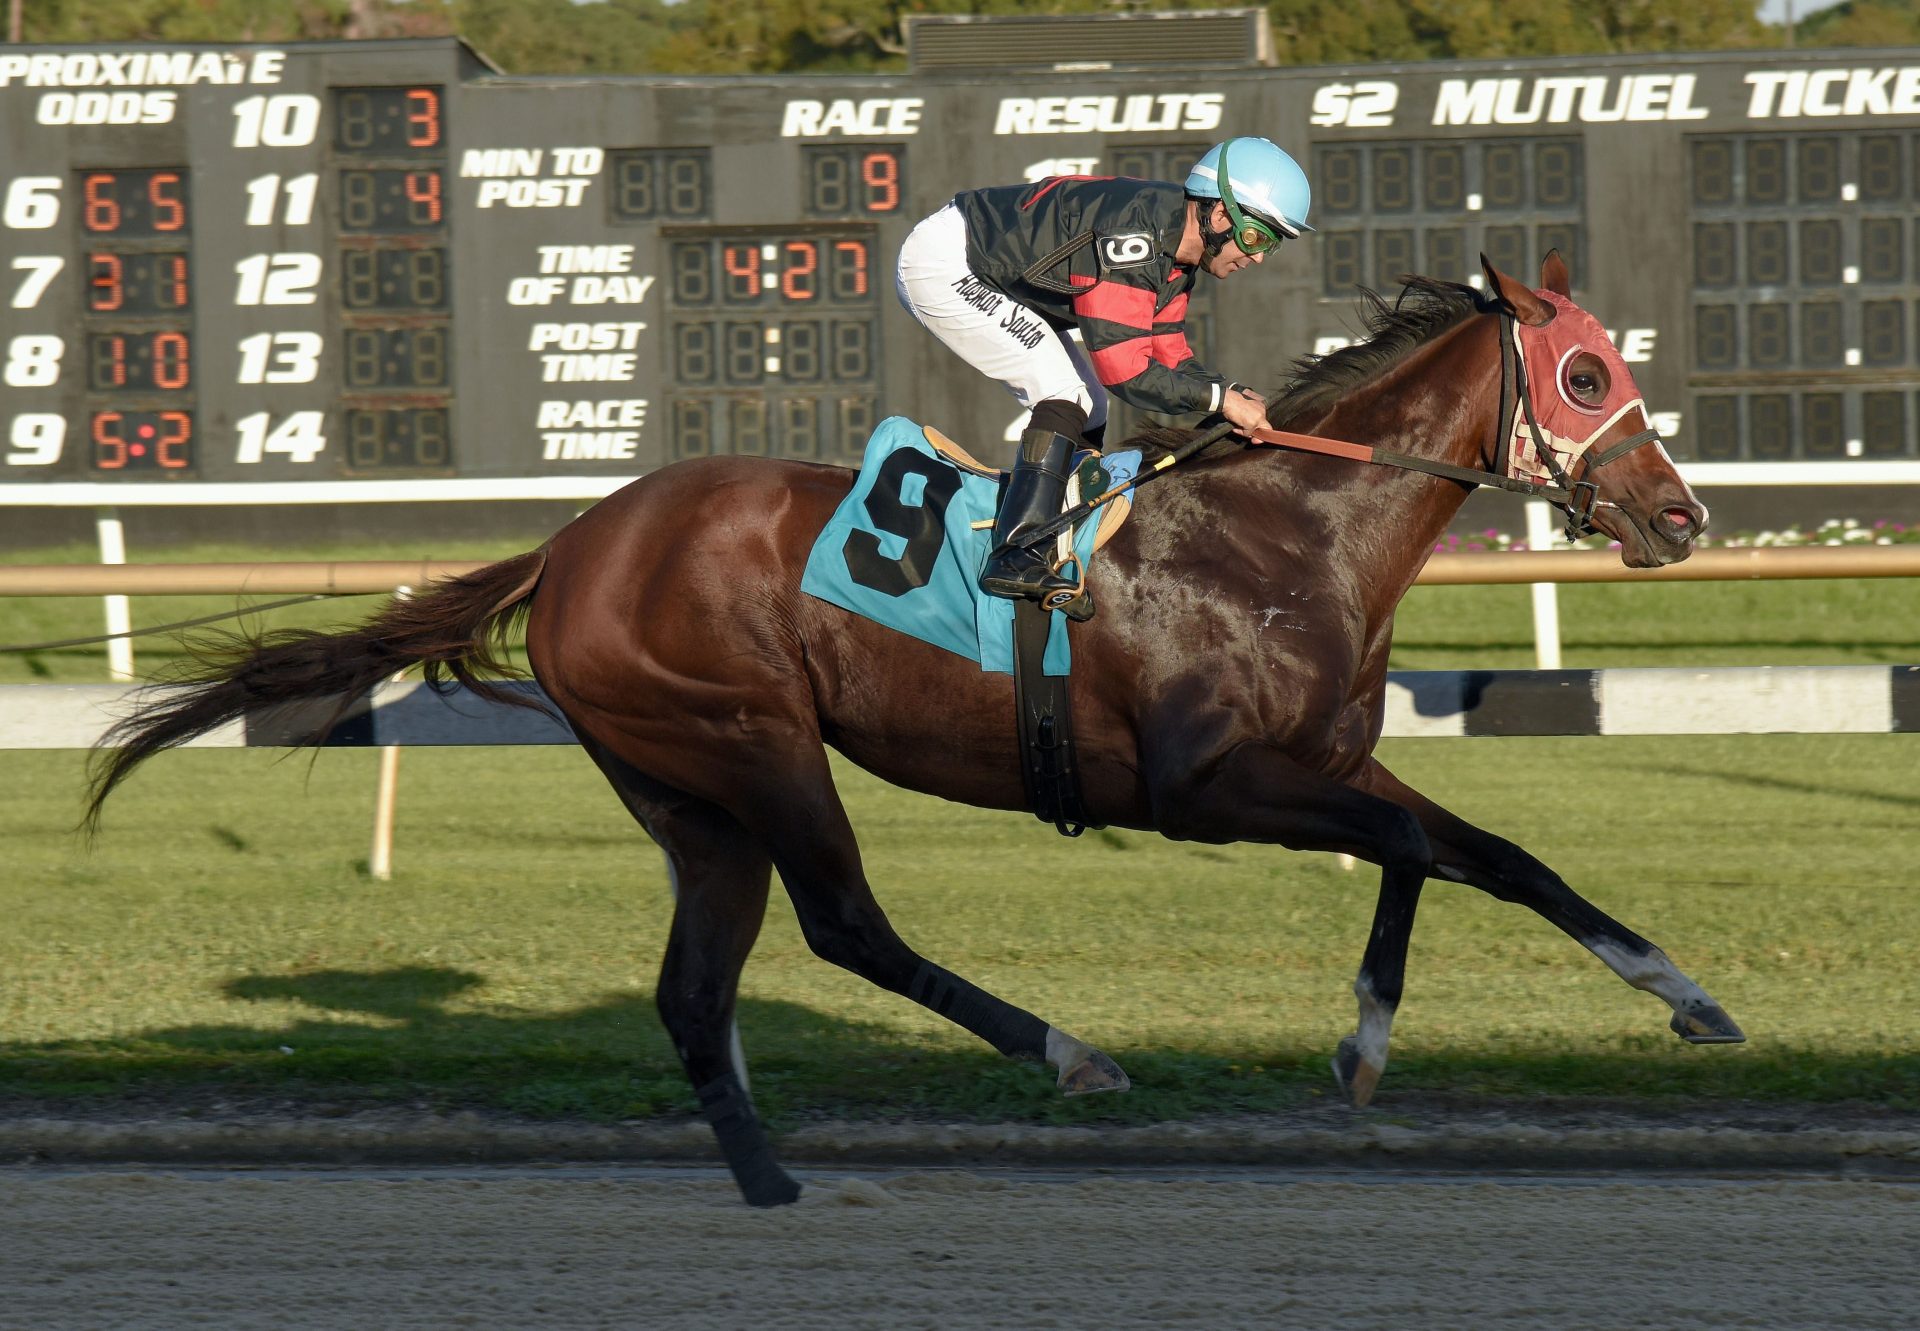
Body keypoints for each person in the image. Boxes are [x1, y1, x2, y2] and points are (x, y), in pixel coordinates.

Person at [894, 136, 1313, 604]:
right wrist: (1222, 402)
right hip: (948, 265)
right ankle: (1016, 555)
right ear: (1219, 216)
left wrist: (1228, 392)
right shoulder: (1133, 242)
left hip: (986, 265)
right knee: (1063, 392)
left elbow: (1167, 350)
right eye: (1256, 237)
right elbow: (1125, 372)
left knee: (1090, 406)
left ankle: (1063, 537)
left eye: (1272, 245)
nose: (1258, 257)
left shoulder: (1175, 248)